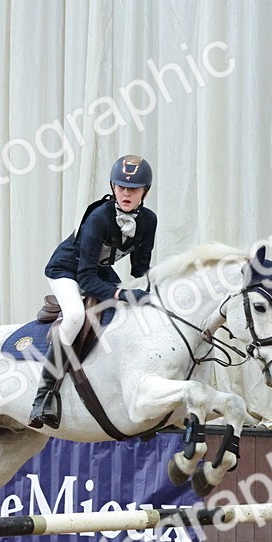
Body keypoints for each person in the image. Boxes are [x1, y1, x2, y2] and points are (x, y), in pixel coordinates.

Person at [28, 154, 158, 430]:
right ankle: (43, 396)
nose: (126, 193)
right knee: (75, 315)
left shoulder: (148, 220)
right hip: (68, 270)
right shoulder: (99, 218)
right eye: (121, 187)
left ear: (145, 191)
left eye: (133, 189)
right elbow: (86, 279)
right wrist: (122, 294)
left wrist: (152, 286)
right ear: (113, 187)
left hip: (97, 270)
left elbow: (139, 269)